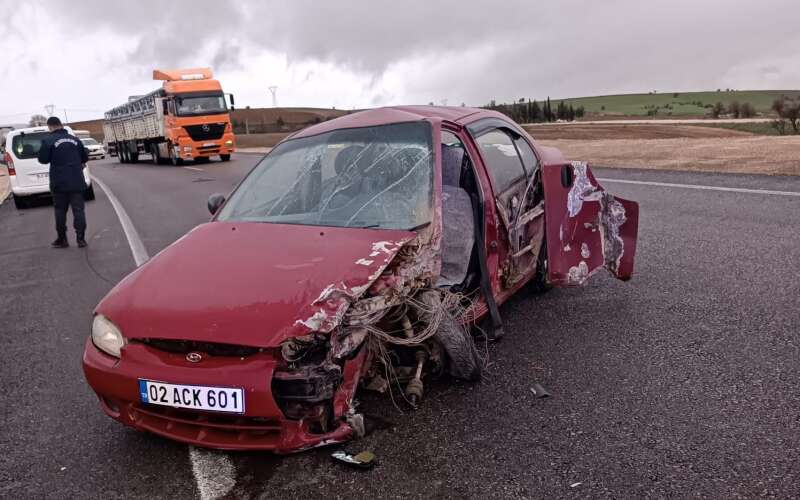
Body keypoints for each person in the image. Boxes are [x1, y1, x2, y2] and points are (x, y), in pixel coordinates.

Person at [37, 117, 89, 248]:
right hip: (76, 180)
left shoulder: (47, 140)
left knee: (60, 210)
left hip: (59, 182)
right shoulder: (75, 140)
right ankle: (81, 239)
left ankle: (62, 239)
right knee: (78, 210)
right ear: (61, 125)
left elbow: (43, 159)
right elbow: (85, 157)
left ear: (50, 127)